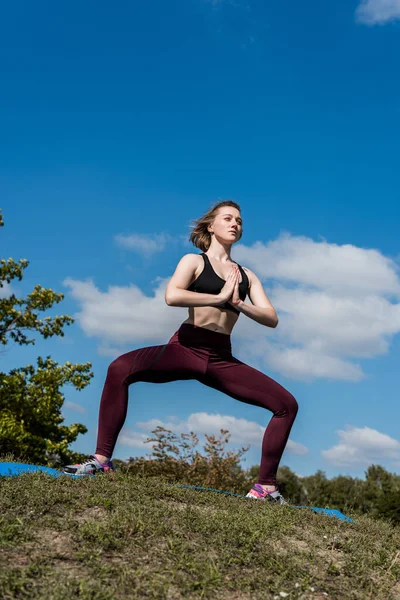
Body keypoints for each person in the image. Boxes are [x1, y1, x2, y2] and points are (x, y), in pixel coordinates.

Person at [64, 200, 298, 504]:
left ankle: (265, 488)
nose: (235, 224)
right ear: (211, 226)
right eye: (227, 218)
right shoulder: (194, 262)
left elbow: (272, 318)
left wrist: (240, 303)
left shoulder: (246, 276)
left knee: (287, 405)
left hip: (220, 358)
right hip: (187, 347)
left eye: (239, 220)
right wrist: (219, 297)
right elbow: (171, 295)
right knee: (120, 368)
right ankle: (101, 460)